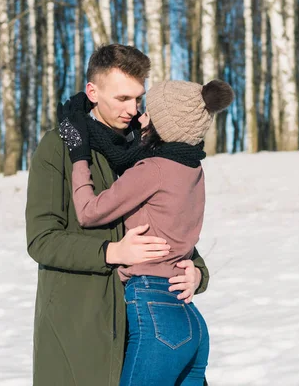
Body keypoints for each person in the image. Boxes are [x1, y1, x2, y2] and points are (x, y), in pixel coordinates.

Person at [25, 44, 211, 386]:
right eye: (122, 98)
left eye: (138, 99)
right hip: (80, 326)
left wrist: (197, 272)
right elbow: (42, 240)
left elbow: (169, 225)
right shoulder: (59, 147)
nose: (133, 109)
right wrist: (112, 253)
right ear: (92, 92)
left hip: (147, 322)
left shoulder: (150, 151)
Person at [58, 78, 234, 385]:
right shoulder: (192, 168)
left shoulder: (153, 169)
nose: (141, 118)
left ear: (164, 125)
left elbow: (88, 212)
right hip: (189, 318)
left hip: (154, 312)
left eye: (149, 114)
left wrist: (79, 155)